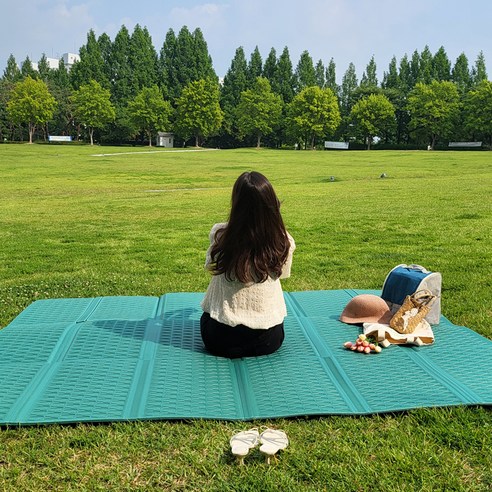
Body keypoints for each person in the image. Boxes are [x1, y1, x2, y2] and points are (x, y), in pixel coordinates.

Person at [200, 171, 295, 358]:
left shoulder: (220, 234)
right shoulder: (284, 241)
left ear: (236, 204)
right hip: (267, 340)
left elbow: (210, 266)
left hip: (219, 338)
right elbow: (282, 274)